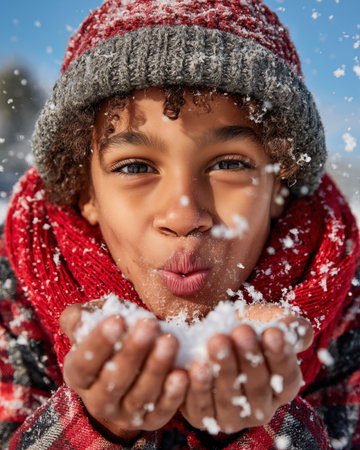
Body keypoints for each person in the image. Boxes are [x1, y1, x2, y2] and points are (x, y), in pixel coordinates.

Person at [1, 0, 359, 448]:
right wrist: (95, 426)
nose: (184, 216)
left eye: (229, 163)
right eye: (134, 167)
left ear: (278, 188)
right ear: (85, 193)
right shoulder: (14, 300)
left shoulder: (348, 309)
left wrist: (262, 429)